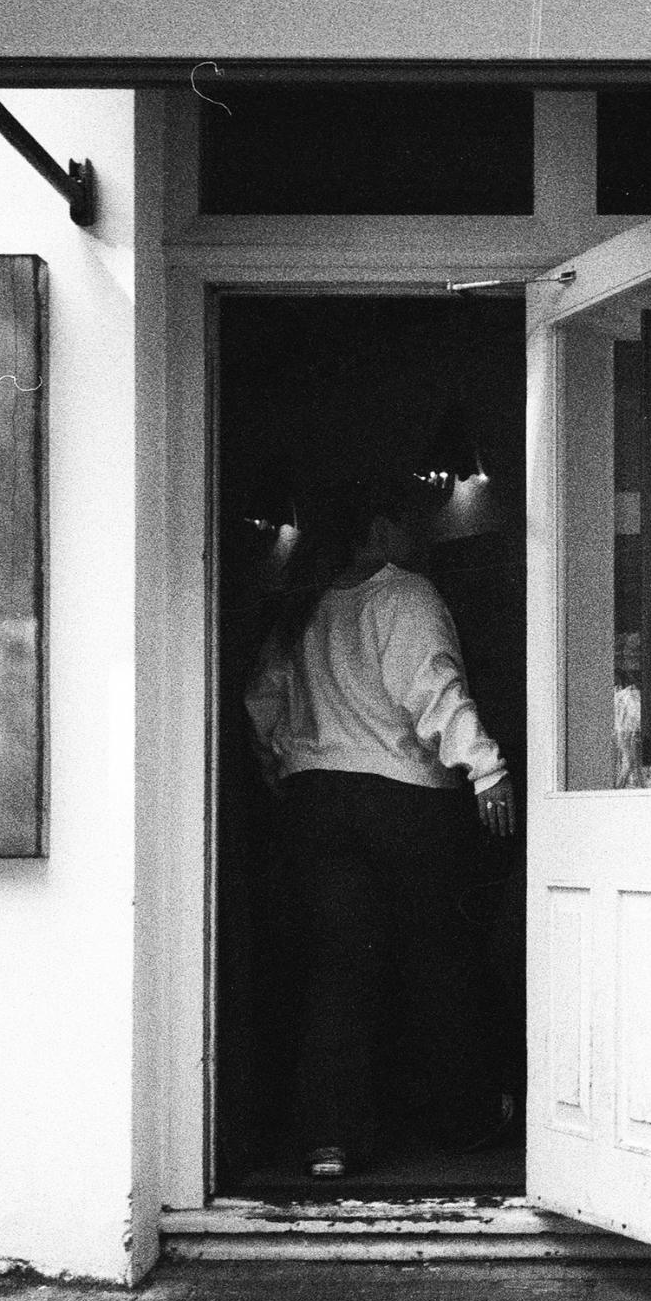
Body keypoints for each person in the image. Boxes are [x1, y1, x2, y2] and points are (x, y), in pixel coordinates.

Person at [245, 477, 518, 1180]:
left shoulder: (303, 603)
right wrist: (483, 767)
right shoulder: (405, 594)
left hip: (316, 802)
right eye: (404, 519)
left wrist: (283, 770)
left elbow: (263, 701)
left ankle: (328, 1137)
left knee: (338, 966)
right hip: (402, 801)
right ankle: (462, 1119)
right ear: (379, 525)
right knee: (438, 958)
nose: (417, 533)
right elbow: (431, 685)